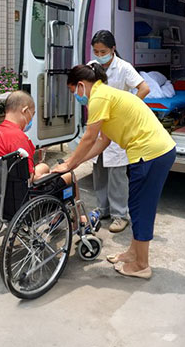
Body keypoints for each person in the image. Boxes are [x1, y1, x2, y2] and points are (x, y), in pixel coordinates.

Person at [53, 63, 176, 279]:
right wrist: (76, 161)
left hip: (150, 154)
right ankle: (133, 253)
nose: (76, 97)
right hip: (154, 151)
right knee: (137, 205)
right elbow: (103, 142)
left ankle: (142, 265)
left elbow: (89, 137)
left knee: (140, 209)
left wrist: (69, 164)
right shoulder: (105, 93)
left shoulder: (99, 98)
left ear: (81, 85)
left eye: (74, 91)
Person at [89, 30, 150, 233]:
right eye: (96, 51)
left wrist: (127, 110)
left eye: (103, 51)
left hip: (116, 128)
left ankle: (119, 215)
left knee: (117, 174)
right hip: (98, 124)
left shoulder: (124, 68)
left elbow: (144, 88)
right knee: (99, 170)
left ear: (113, 49)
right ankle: (102, 208)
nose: (99, 55)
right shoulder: (91, 67)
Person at [0, 90, 76, 219]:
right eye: (32, 115)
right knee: (68, 175)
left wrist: (42, 173)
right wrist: (46, 176)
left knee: (43, 165)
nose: (31, 119)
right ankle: (77, 219)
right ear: (25, 110)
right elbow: (30, 178)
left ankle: (58, 216)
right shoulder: (18, 138)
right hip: (20, 200)